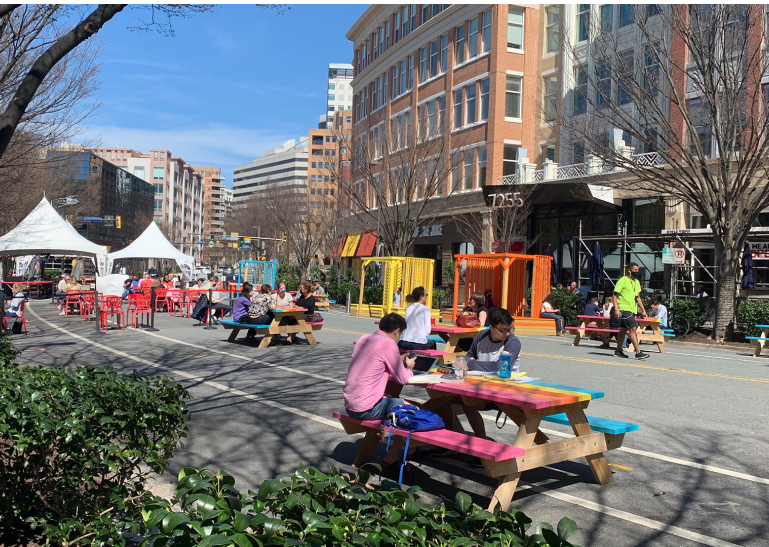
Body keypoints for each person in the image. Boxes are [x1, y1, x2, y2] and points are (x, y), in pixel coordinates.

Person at [343, 313, 417, 468]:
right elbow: (403, 379)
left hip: (350, 404)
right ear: (397, 331)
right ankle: (396, 454)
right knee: (415, 410)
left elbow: (374, 363)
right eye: (401, 334)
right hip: (367, 408)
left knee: (393, 400)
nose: (399, 337)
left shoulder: (364, 339)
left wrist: (397, 360)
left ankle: (409, 450)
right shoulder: (389, 344)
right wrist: (409, 367)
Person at [460, 307, 522, 465]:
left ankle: (487, 452)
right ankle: (478, 447)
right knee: (449, 400)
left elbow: (498, 366)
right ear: (491, 327)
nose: (507, 333)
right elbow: (467, 356)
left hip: (506, 390)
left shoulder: (513, 342)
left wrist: (472, 364)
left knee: (466, 402)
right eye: (503, 330)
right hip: (482, 387)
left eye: (510, 328)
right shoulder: (481, 336)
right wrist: (470, 362)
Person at [611, 262, 649, 360]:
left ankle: (618, 350)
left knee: (623, 330)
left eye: (638, 270)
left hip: (632, 309)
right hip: (624, 308)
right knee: (633, 328)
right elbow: (615, 295)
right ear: (629, 270)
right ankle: (638, 352)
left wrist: (643, 310)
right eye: (635, 270)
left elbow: (638, 297)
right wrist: (616, 309)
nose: (637, 271)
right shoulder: (622, 281)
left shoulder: (636, 282)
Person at [398, 286, 435, 351]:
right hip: (417, 343)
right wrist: (421, 337)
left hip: (403, 342)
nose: (426, 296)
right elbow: (427, 330)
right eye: (426, 295)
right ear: (421, 297)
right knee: (433, 343)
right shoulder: (425, 309)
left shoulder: (408, 308)